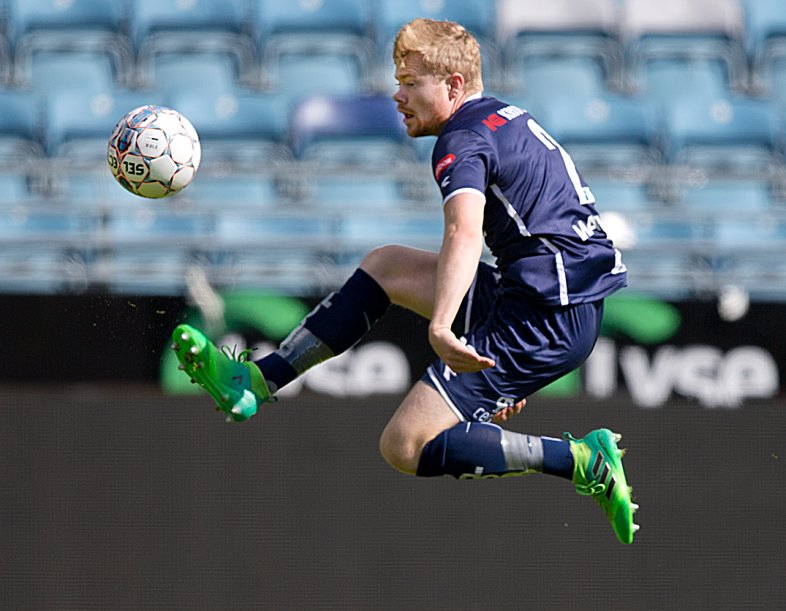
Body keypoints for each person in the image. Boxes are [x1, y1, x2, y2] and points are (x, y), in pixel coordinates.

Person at [171, 18, 639, 544]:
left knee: (405, 444)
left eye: (410, 83)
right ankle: (258, 381)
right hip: (546, 299)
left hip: (546, 314)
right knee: (388, 266)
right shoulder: (501, 117)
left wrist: (443, 326)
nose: (398, 95)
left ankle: (582, 460)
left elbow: (464, 232)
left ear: (453, 86)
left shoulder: (462, 139)